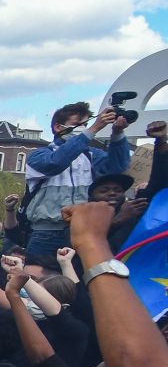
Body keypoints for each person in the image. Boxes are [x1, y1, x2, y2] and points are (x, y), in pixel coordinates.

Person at [19, 101, 133, 258]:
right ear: (58, 127)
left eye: (85, 124)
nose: (84, 128)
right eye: (78, 125)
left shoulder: (91, 155)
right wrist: (93, 129)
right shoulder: (39, 156)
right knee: (42, 279)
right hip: (47, 233)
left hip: (84, 229)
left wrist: (118, 133)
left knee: (81, 280)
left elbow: (118, 166)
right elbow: (55, 163)